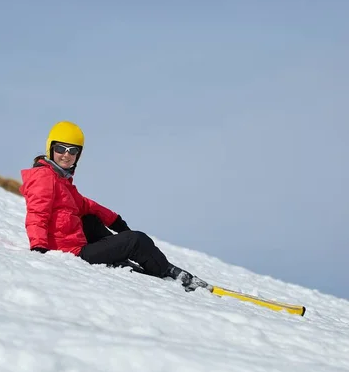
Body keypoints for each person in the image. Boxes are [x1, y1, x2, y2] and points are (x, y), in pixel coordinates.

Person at [19, 121, 210, 292]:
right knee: (136, 240)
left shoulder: (60, 180)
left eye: (73, 150)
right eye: (61, 148)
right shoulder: (44, 177)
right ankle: (171, 273)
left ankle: (119, 258)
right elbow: (37, 213)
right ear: (50, 148)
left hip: (72, 245)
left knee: (90, 219)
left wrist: (115, 221)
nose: (66, 155)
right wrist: (38, 248)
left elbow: (86, 205)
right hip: (69, 252)